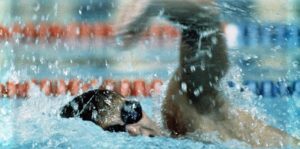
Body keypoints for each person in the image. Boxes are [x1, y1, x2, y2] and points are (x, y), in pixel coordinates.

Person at [61, 0, 300, 147]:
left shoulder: (182, 115)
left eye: (130, 113)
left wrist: (156, 6)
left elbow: (204, 24)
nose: (133, 129)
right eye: (116, 131)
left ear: (138, 105)